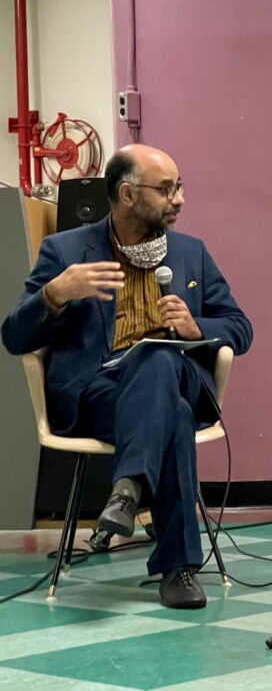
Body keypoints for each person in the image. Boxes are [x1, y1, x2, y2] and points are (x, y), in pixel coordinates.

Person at [2, 144, 253, 609]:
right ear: (127, 194)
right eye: (166, 189)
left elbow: (241, 328)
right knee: (173, 417)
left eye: (179, 187)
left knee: (157, 359)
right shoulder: (65, 251)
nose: (178, 199)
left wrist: (197, 328)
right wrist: (55, 294)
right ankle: (177, 568)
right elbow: (14, 337)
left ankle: (127, 490)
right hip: (97, 392)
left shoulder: (191, 254)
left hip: (174, 375)